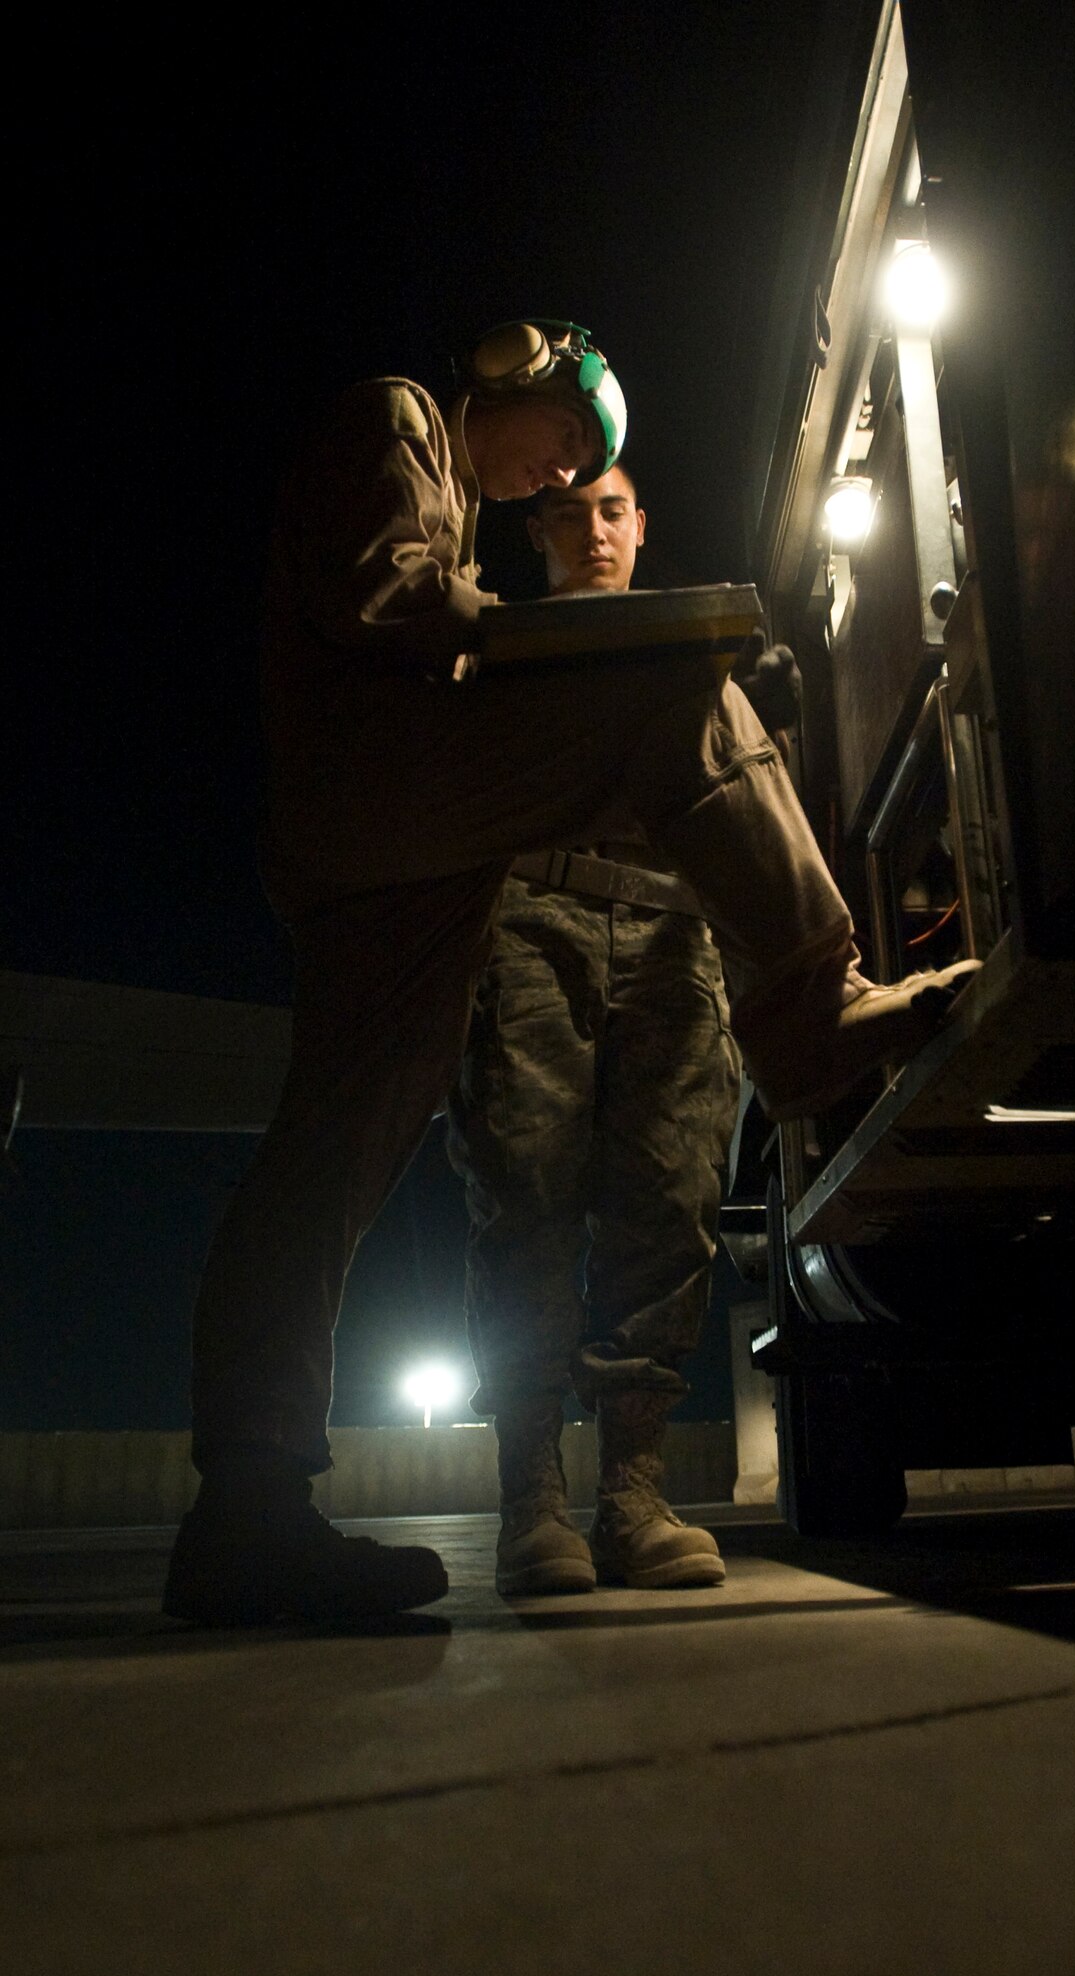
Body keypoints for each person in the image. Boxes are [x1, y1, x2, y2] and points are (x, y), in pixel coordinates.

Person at [162, 317, 978, 1628]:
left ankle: (245, 1506)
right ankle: (815, 1001)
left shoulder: (452, 499)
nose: (564, 476)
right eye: (567, 442)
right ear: (512, 368)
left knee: (327, 1161)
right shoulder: (398, 418)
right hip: (389, 785)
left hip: (396, 857)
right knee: (681, 692)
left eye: (596, 473)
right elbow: (392, 605)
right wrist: (593, 644)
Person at [448, 464, 801, 1597]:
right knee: (525, 1191)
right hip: (530, 913)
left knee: (670, 1198)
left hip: (672, 926)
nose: (594, 531)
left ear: (641, 526)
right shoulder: (497, 648)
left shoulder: (692, 655)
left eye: (612, 512)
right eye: (570, 513)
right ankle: (531, 1502)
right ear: (537, 530)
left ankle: (632, 1495)